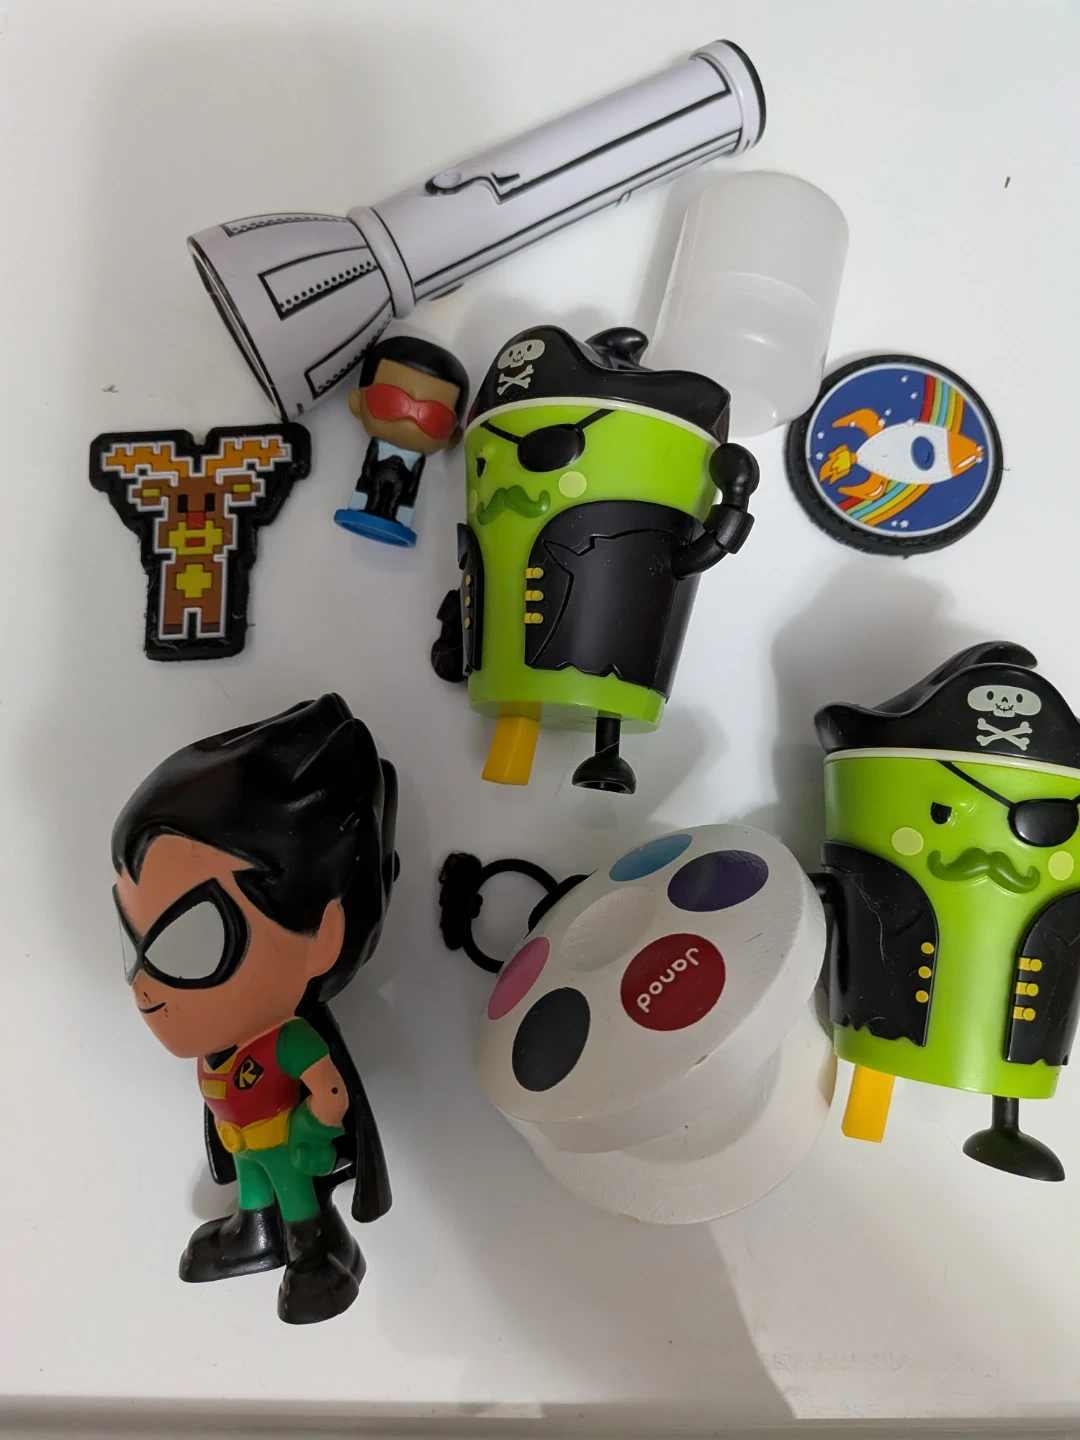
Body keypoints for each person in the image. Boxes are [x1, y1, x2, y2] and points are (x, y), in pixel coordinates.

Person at [110, 694, 398, 1323]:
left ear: (322, 936)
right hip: (243, 1140)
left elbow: (329, 1090)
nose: (145, 987)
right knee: (255, 1188)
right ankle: (254, 1233)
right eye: (134, 943)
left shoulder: (287, 1041)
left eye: (194, 940)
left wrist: (315, 1127)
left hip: (286, 1143)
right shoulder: (225, 1040)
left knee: (296, 1194)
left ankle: (319, 1252)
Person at [334, 334, 469, 548]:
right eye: (390, 402)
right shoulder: (376, 449)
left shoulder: (417, 463)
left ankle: (394, 516)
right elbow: (367, 470)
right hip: (372, 485)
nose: (409, 419)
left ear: (452, 437)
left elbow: (412, 487)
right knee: (374, 493)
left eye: (432, 417)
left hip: (401, 491)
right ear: (357, 403)